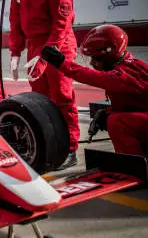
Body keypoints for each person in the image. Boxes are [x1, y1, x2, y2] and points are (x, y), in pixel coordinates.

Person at [3, 0, 80, 169]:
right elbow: (15, 21)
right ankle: (50, 142)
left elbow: (62, 23)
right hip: (35, 47)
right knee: (41, 99)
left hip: (58, 47)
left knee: (63, 97)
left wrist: (47, 56)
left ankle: (70, 148)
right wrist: (15, 52)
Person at [42, 25, 148, 158]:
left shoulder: (126, 74)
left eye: (96, 58)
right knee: (113, 117)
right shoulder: (129, 66)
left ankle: (136, 168)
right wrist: (107, 112)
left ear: (110, 53)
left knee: (117, 122)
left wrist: (62, 63)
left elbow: (93, 77)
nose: (92, 63)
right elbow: (136, 104)